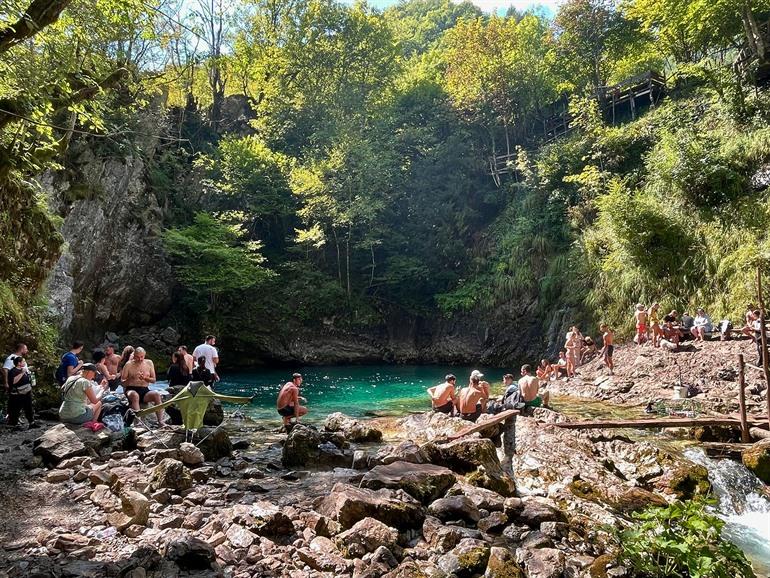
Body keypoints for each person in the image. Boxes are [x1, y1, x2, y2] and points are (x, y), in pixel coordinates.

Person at [121, 347, 164, 426]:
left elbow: (154, 380)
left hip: (144, 390)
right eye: (137, 357)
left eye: (142, 357)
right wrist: (131, 378)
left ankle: (160, 421)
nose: (140, 359)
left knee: (157, 395)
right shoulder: (128, 364)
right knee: (135, 395)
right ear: (134, 356)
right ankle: (138, 422)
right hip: (131, 389)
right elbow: (122, 383)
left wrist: (145, 378)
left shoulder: (149, 363)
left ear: (144, 355)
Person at [6, 356, 37, 428]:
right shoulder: (13, 371)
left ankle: (31, 423)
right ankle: (14, 425)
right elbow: (13, 381)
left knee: (29, 408)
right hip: (17, 393)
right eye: (23, 361)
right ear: (19, 363)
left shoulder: (24, 369)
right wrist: (22, 373)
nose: (25, 363)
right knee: (15, 409)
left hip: (27, 391)